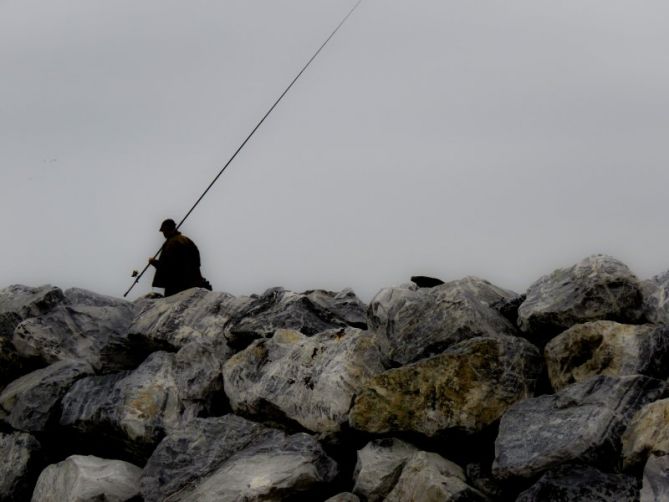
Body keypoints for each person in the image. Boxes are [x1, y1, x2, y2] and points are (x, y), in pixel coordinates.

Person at [149, 219, 209, 296]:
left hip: (176, 285)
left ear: (167, 229)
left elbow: (169, 266)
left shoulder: (171, 243)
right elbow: (197, 262)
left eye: (163, 231)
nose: (163, 233)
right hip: (193, 282)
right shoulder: (186, 240)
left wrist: (154, 262)